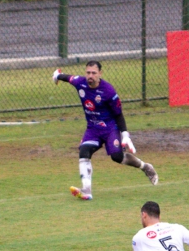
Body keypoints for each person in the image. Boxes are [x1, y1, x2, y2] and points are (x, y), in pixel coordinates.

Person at [52, 60, 158, 201]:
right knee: (84, 150)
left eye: (94, 73)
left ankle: (145, 167)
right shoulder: (80, 83)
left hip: (110, 129)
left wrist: (125, 135)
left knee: (117, 157)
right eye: (88, 72)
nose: (90, 75)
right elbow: (68, 77)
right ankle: (86, 190)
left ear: (100, 74)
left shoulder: (108, 91)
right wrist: (57, 76)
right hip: (93, 129)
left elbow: (118, 114)